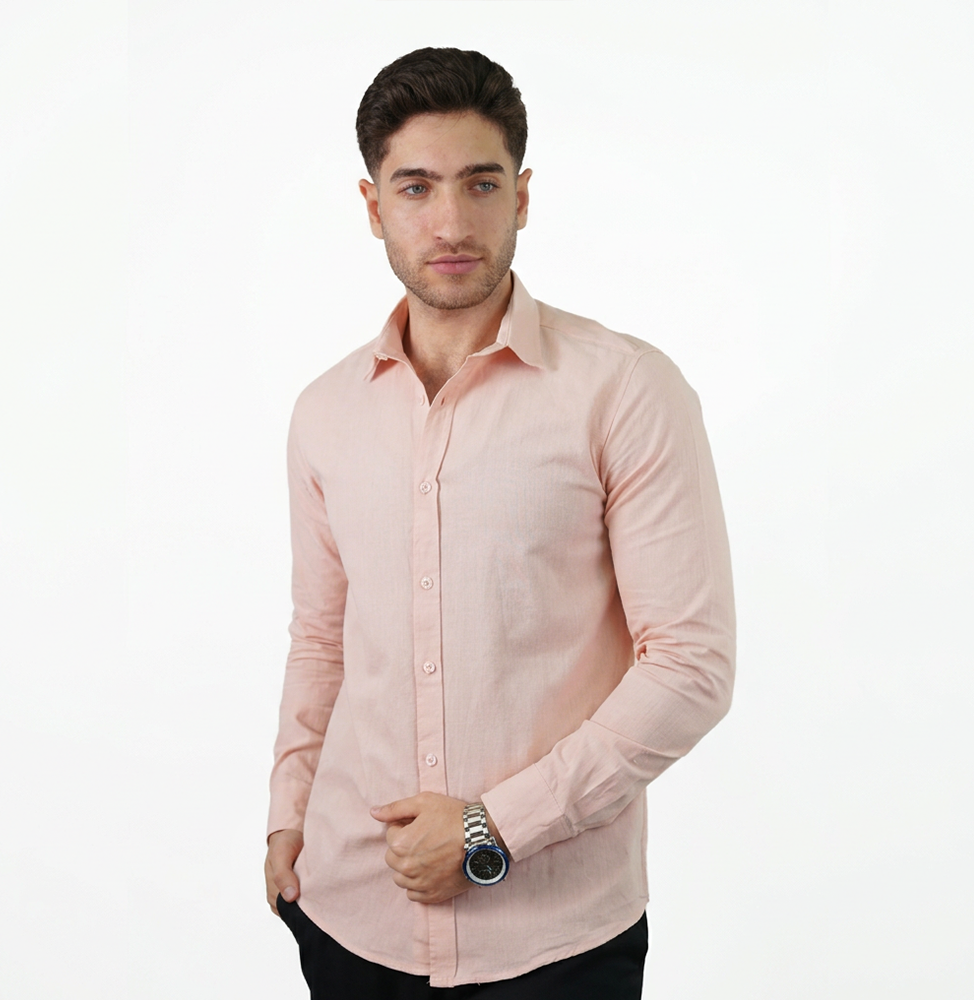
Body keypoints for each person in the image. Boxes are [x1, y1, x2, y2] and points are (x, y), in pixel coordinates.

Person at [264, 47, 735, 998]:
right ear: (373, 206)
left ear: (522, 196)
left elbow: (690, 665)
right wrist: (289, 814)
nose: (450, 223)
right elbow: (322, 638)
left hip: (553, 938)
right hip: (349, 912)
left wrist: (491, 827)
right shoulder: (325, 412)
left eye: (480, 184)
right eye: (416, 188)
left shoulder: (625, 390)